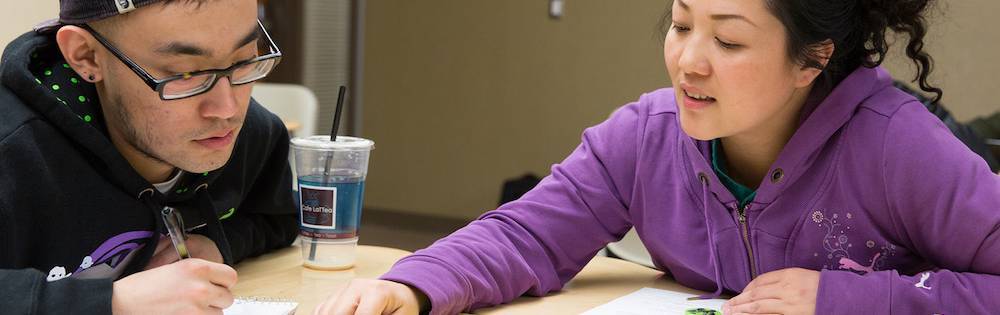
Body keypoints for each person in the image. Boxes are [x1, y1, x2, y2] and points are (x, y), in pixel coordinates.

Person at [316, 0, 1000, 314]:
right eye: (679, 25)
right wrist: (413, 283)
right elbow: (527, 232)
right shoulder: (646, 135)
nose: (688, 61)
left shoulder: (899, 146)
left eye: (727, 41)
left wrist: (846, 298)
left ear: (813, 59)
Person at [0, 0, 298, 313]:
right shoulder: (13, 153)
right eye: (185, 74)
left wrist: (217, 244)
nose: (227, 109)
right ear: (86, 56)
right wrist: (114, 303)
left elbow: (275, 218)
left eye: (244, 60)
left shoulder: (249, 134)